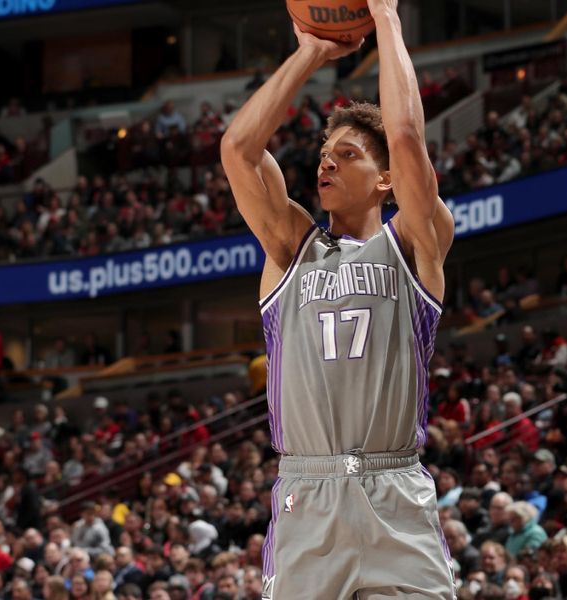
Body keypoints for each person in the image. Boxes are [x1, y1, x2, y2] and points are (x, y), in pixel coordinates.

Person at [219, 0, 455, 597]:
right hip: (308, 495)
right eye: (325, 153)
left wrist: (386, 18)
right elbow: (238, 150)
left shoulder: (416, 245)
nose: (327, 160)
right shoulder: (289, 248)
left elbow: (403, 136)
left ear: (386, 181)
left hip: (395, 492)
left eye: (347, 155)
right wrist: (310, 52)